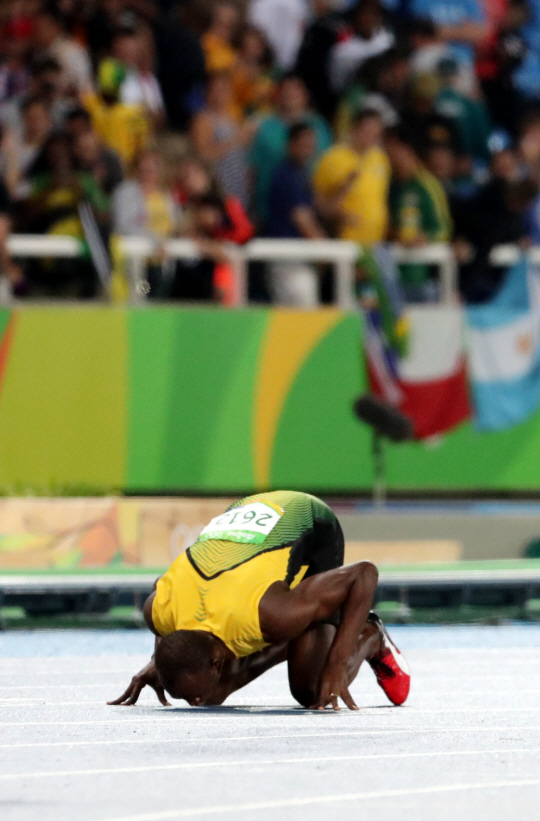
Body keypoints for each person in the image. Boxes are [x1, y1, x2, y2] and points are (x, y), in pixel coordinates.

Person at [108, 490, 410, 711]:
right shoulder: (159, 612)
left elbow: (364, 575)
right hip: (245, 516)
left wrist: (337, 661)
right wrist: (160, 664)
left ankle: (371, 636)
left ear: (215, 662)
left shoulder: (269, 612)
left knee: (314, 691)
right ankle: (294, 641)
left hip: (309, 523)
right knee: (213, 696)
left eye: (191, 696)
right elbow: (162, 590)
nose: (193, 703)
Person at [249, 75, 332, 226]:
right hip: (270, 208)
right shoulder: (266, 127)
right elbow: (253, 170)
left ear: (305, 95)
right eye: (286, 91)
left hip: (312, 207)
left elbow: (327, 166)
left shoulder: (319, 126)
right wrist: (252, 208)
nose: (290, 95)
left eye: (295, 91)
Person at [386, 125, 453, 301]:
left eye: (392, 147)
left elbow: (443, 228)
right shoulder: (391, 185)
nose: (388, 153)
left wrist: (424, 238)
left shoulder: (426, 185)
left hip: (419, 279)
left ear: (406, 150)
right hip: (391, 276)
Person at [266, 123, 326, 306]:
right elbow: (302, 218)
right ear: (291, 144)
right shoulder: (286, 175)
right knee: (301, 316)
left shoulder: (302, 174)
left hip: (301, 258)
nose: (308, 148)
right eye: (303, 143)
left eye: (311, 143)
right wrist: (327, 252)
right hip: (288, 259)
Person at [313, 108, 391, 246]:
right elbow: (319, 203)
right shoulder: (332, 158)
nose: (372, 136)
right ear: (355, 129)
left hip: (376, 242)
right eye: (368, 131)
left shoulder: (380, 159)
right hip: (346, 240)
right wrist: (340, 215)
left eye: (376, 133)